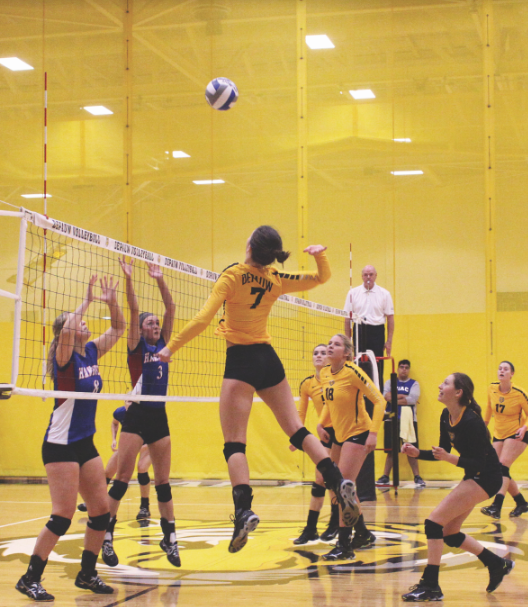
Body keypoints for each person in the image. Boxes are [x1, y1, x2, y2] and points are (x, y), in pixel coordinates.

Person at [158, 226, 360, 554]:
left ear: (250, 244)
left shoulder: (232, 276)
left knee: (234, 443)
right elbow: (322, 277)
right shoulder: (275, 278)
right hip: (269, 360)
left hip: (240, 361)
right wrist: (319, 254)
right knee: (296, 429)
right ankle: (338, 481)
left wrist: (170, 348)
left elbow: (202, 318)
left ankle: (243, 512)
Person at [15, 274, 125, 601]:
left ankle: (87, 574)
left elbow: (119, 328)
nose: (87, 326)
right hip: (60, 445)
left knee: (100, 512)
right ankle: (29, 577)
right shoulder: (64, 360)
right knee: (62, 515)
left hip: (84, 443)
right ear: (69, 329)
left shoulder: (90, 352)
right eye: (82, 323)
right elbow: (64, 332)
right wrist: (87, 299)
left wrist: (110, 300)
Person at [400, 373, 514, 602]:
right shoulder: (446, 415)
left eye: (446, 383)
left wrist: (448, 459)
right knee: (450, 533)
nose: (440, 386)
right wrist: (417, 453)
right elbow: (443, 450)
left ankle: (431, 585)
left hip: (487, 477)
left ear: (458, 392)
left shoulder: (472, 422)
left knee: (433, 523)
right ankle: (497, 563)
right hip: (475, 475)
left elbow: (478, 463)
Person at [102, 258, 180, 568]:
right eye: (150, 323)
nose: (155, 326)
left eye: (156, 324)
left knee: (163, 481)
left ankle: (169, 537)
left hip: (158, 417)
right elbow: (133, 311)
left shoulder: (163, 344)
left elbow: (171, 309)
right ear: (140, 328)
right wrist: (130, 280)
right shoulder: (136, 347)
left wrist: (160, 279)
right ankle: (106, 536)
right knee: (122, 478)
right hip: (135, 417)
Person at [316, 334, 387, 560]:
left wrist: (374, 433)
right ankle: (364, 533)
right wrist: (320, 423)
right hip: (340, 435)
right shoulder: (325, 372)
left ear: (346, 353)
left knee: (343, 489)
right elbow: (330, 402)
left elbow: (380, 401)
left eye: (335, 344)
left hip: (359, 432)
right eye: (329, 343)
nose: (330, 346)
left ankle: (344, 546)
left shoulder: (353, 372)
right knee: (338, 486)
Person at [292, 343, 341, 544]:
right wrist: (295, 436)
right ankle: (311, 528)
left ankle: (335, 523)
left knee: (330, 478)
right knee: (320, 479)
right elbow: (301, 412)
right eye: (315, 353)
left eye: (323, 352)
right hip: (325, 433)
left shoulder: (337, 377)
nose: (319, 356)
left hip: (342, 431)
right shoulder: (307, 384)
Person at [76, 404, 153, 521]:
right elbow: (114, 423)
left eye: (133, 402)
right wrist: (114, 439)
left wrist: (131, 448)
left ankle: (144, 507)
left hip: (148, 445)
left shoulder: (145, 416)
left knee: (142, 468)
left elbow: (154, 439)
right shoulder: (120, 412)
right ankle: (93, 502)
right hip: (128, 444)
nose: (130, 404)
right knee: (108, 472)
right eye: (128, 402)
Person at [480, 361, 528, 519]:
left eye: (505, 369)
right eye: (500, 368)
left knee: (502, 467)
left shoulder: (519, 393)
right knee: (496, 468)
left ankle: (496, 506)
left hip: (517, 433)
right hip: (499, 433)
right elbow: (489, 407)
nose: (501, 371)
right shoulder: (492, 388)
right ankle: (521, 503)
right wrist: (485, 426)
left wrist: (524, 428)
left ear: (512, 374)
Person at [343, 265, 394, 391]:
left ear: (376, 276)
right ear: (362, 276)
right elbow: (347, 318)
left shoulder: (385, 294)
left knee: (377, 366)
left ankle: (378, 398)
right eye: (366, 274)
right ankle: (360, 395)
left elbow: (390, 318)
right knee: (359, 365)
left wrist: (389, 341)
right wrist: (347, 341)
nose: (368, 277)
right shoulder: (353, 293)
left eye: (371, 274)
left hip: (377, 332)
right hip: (359, 330)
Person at [376, 359, 425, 488]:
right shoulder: (389, 382)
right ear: (397, 369)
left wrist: (394, 397)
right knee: (391, 450)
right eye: (401, 367)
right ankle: (385, 476)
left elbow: (412, 399)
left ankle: (417, 477)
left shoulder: (414, 384)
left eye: (406, 367)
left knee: (411, 449)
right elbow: (385, 397)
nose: (404, 369)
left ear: (409, 369)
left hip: (408, 418)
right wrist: (402, 396)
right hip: (391, 418)